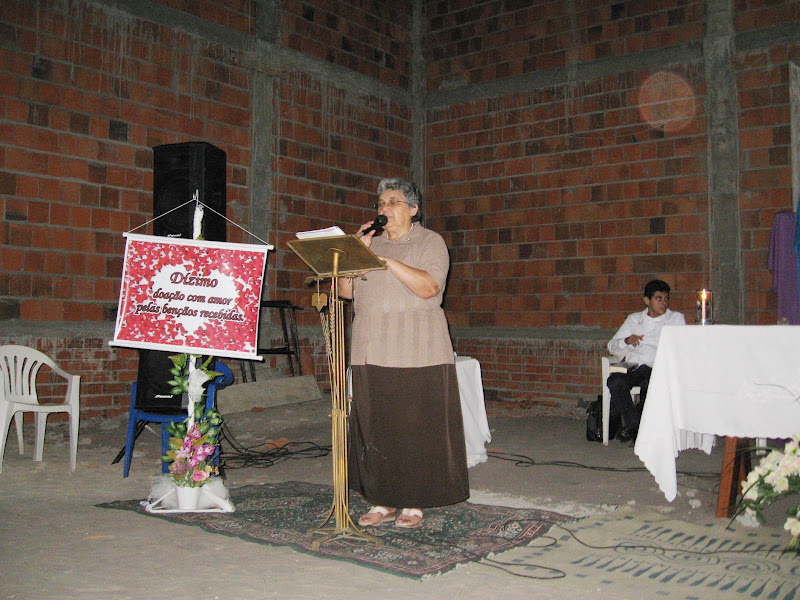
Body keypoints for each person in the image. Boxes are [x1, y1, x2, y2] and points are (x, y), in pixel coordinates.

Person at [339, 177, 469, 529]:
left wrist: (385, 259)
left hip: (417, 349)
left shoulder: (429, 242)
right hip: (369, 348)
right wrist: (356, 252)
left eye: (393, 202)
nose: (385, 209)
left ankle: (413, 500)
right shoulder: (370, 242)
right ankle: (382, 499)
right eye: (381, 204)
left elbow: (429, 288)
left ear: (413, 209)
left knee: (413, 429)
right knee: (376, 427)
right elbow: (345, 291)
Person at [606, 279, 685, 443]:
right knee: (614, 381)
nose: (664, 303)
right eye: (658, 299)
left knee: (650, 386)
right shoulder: (634, 319)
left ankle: (634, 429)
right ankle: (633, 424)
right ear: (647, 300)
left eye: (666, 299)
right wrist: (626, 341)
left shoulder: (675, 319)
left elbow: (681, 347)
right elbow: (611, 347)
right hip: (634, 367)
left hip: (658, 368)